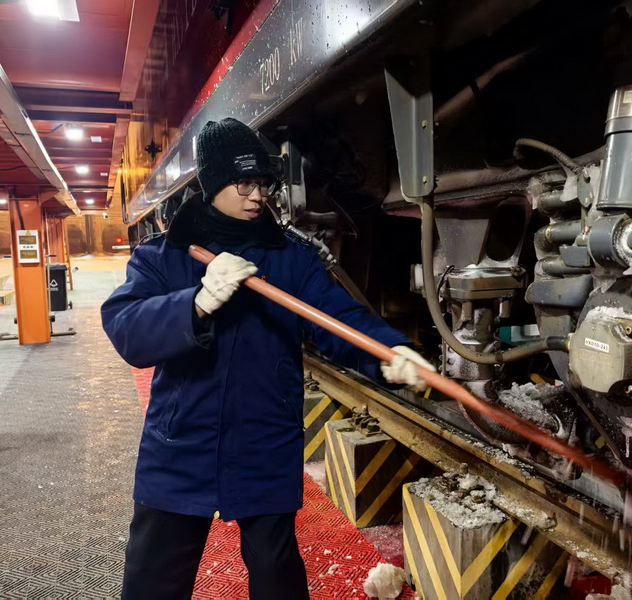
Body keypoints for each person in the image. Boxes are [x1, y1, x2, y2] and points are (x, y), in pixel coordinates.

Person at [101, 117, 433, 599]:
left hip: (264, 442)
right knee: (155, 576)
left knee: (276, 572)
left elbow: (337, 316)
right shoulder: (165, 256)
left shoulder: (290, 258)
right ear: (213, 182)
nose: (258, 195)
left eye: (264, 183)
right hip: (180, 442)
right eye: (244, 183)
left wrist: (387, 351)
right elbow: (126, 328)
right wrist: (194, 304)